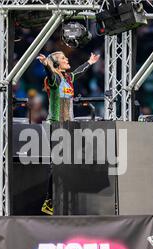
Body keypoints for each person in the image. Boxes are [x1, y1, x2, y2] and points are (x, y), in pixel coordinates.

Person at [37, 51, 100, 215]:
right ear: (57, 64)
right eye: (63, 58)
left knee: (68, 162)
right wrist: (47, 66)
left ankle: (64, 198)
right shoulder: (54, 79)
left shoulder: (68, 78)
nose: (67, 59)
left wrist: (89, 62)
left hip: (68, 125)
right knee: (57, 164)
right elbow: (50, 74)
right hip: (56, 125)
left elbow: (78, 71)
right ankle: (49, 201)